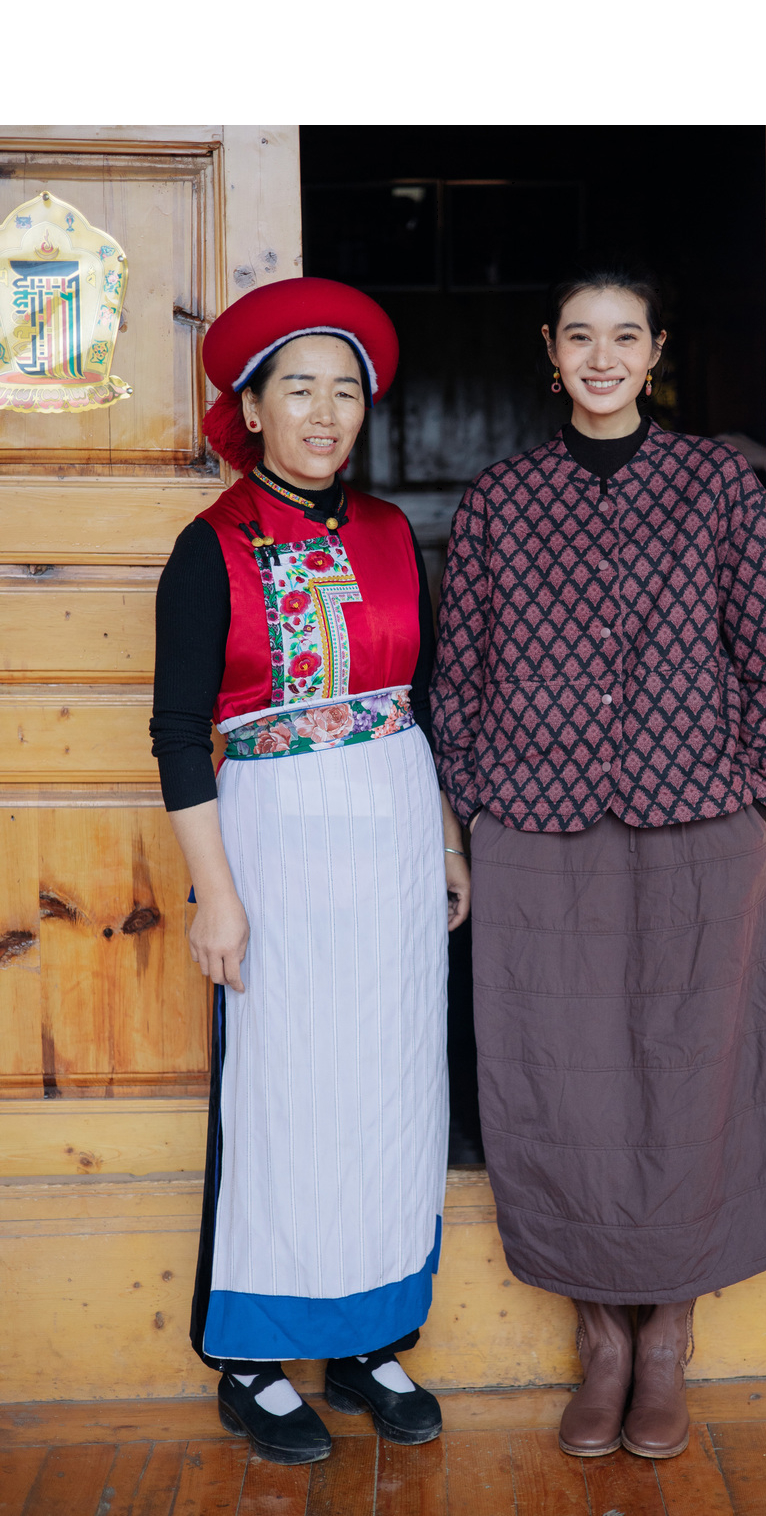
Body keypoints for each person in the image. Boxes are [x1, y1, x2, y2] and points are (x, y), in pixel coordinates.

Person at [430, 264, 766, 1461]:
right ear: (549, 350)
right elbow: (459, 680)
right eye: (580, 336)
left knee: (692, 1069)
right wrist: (476, 807)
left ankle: (668, 1336)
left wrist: (748, 793)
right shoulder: (501, 499)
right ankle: (600, 1334)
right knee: (556, 1079)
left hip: (697, 828)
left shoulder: (714, 482)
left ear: (656, 352)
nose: (601, 357)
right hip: (536, 831)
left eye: (625, 336)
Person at [151, 277, 470, 1465]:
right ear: (253, 408)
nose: (326, 414)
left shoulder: (390, 536)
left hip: (393, 835)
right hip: (275, 847)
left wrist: (449, 841)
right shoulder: (210, 548)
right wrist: (218, 895)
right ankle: (252, 1359)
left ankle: (368, 1336)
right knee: (285, 1093)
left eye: (345, 392)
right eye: (300, 390)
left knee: (389, 1081)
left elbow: (423, 700)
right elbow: (178, 731)